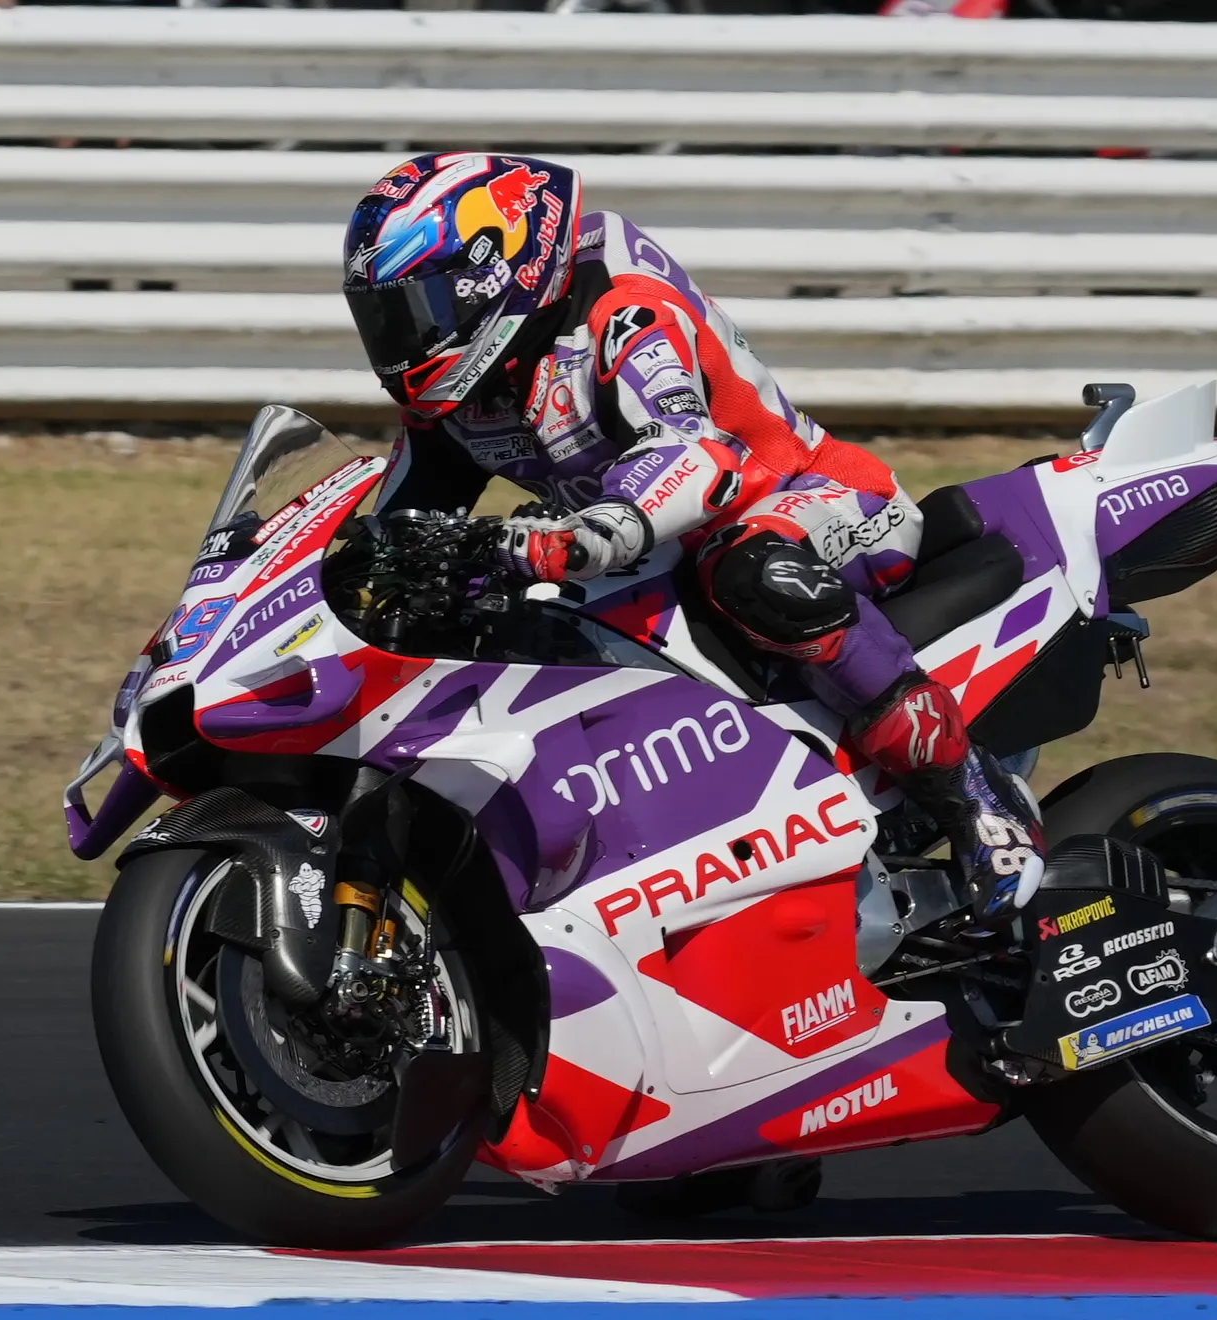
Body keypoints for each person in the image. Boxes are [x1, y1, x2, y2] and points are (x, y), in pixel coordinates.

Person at [340, 152, 1043, 920]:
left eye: (418, 310)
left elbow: (691, 454)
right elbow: (394, 524)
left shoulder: (621, 312)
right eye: (383, 318)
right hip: (650, 549)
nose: (399, 341)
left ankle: (974, 796)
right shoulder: (457, 395)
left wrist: (573, 541)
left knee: (749, 571)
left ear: (495, 279)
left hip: (806, 498)